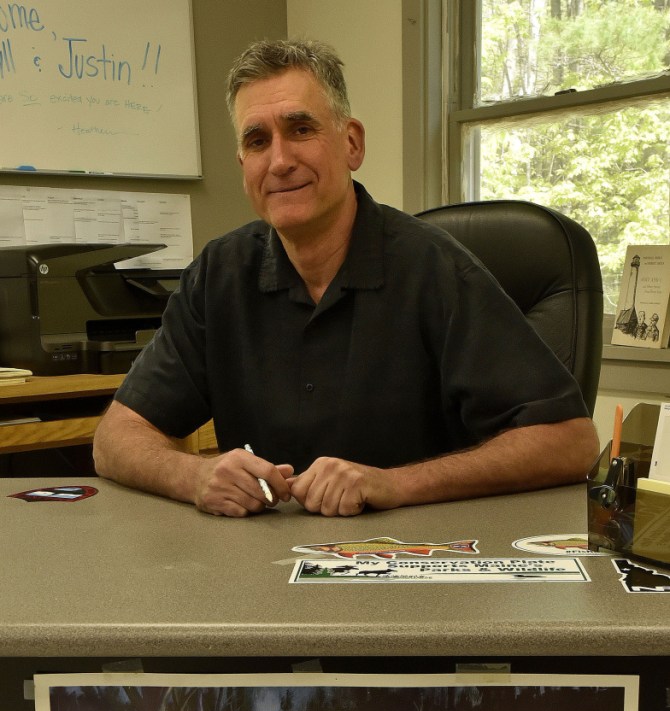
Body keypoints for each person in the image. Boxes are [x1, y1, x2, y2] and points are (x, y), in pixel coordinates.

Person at [93, 38, 599, 519]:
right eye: (257, 140)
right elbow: (115, 438)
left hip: (419, 565)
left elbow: (569, 442)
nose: (280, 160)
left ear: (351, 144)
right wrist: (195, 477)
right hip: (259, 572)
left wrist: (393, 485)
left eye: (301, 129)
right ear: (243, 164)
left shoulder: (437, 269)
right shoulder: (218, 274)